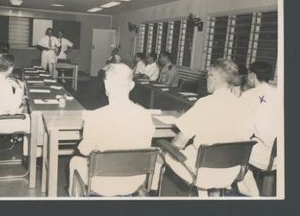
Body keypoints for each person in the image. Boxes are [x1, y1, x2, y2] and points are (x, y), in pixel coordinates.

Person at [163, 59, 252, 195]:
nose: (206, 80)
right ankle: (214, 194)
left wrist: (168, 147)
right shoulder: (245, 106)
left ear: (214, 78)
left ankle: (149, 194)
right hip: (232, 171)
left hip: (202, 172)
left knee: (164, 151)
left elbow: (179, 143)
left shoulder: (205, 104)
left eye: (208, 76)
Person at [68, 63, 159, 196]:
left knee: (74, 161)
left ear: (106, 85)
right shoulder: (145, 115)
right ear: (132, 85)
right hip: (135, 180)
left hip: (101, 183)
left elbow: (84, 150)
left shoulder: (95, 117)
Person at [0, 54, 43, 156]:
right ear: (10, 68)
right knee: (38, 122)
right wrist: (19, 90)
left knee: (27, 112)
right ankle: (35, 157)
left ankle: (28, 153)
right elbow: (12, 111)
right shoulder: (5, 84)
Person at [237, 62, 278, 196]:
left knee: (231, 149)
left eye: (248, 74)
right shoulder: (278, 92)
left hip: (260, 156)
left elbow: (241, 126)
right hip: (278, 156)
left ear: (253, 75)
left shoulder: (249, 95)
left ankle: (248, 192)